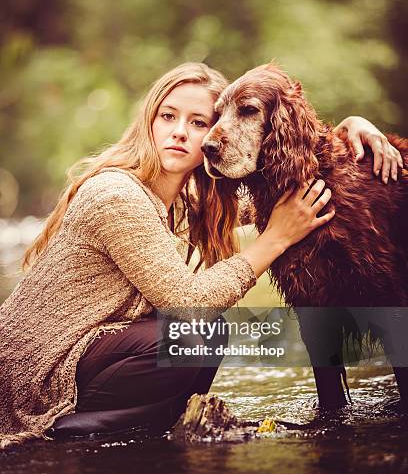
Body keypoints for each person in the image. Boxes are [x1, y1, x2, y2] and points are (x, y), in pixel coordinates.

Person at [0, 62, 402, 449]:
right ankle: (68, 429)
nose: (181, 133)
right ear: (148, 124)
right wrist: (273, 240)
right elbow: (187, 302)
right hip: (34, 376)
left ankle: (132, 431)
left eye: (198, 123)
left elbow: (273, 198)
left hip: (84, 355)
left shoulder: (181, 202)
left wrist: (352, 129)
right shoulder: (117, 196)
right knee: (195, 334)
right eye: (167, 116)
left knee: (201, 335)